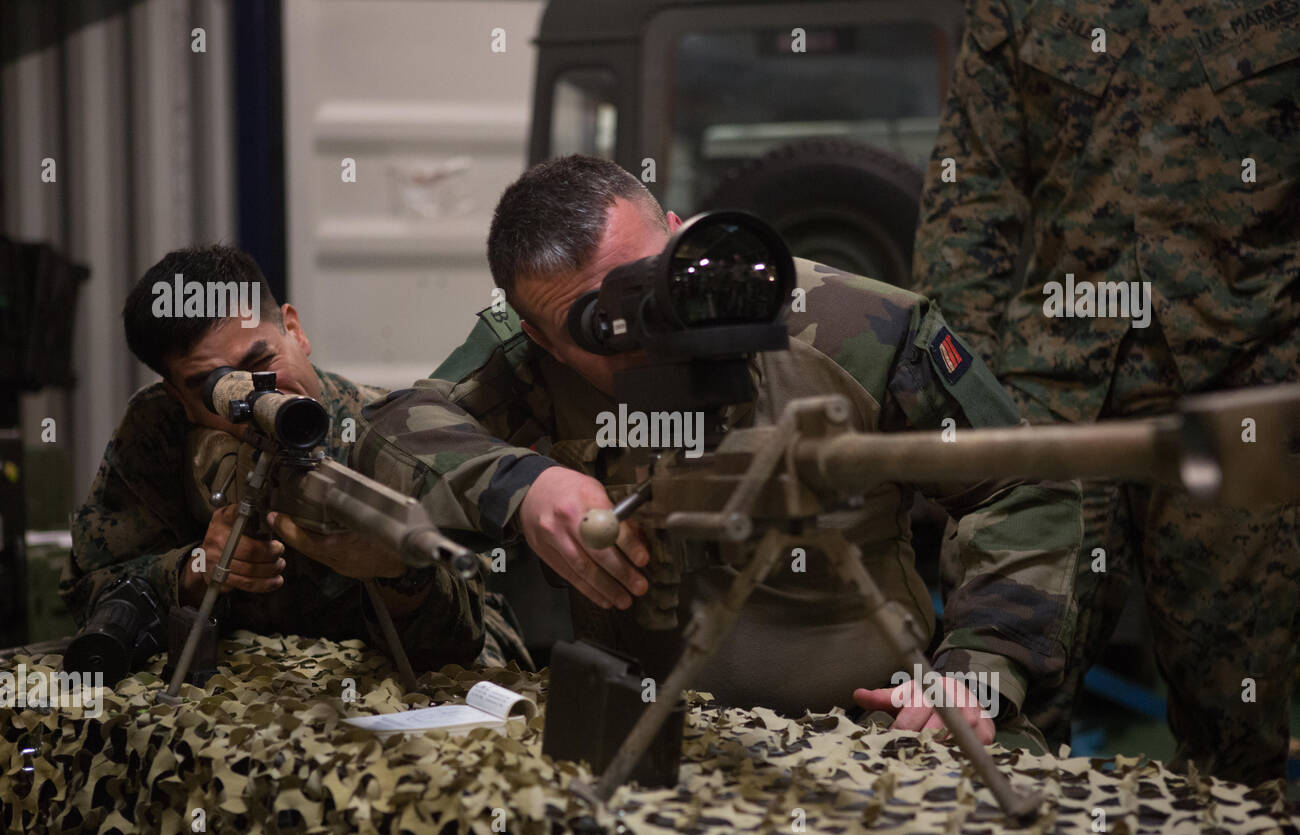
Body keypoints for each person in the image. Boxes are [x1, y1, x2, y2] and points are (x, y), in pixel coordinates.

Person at [352, 155, 1085, 746]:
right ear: (541, 337)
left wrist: (977, 666)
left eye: (652, 285)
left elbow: (1021, 485)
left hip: (869, 734)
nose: (640, 334)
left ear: (681, 235)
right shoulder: (530, 354)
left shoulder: (856, 327)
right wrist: (524, 486)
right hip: (645, 737)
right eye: (598, 324)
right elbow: (389, 429)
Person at [911, 0, 1299, 783]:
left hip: (1243, 382)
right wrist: (966, 401)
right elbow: (973, 190)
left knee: (1234, 726)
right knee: (992, 704)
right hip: (1052, 389)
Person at [62, 244, 526, 674]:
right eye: (214, 388)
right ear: (178, 397)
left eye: (261, 362)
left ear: (295, 330)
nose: (254, 395)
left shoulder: (389, 429)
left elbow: (467, 639)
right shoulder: (160, 428)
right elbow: (87, 596)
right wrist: (193, 572)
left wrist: (396, 575)